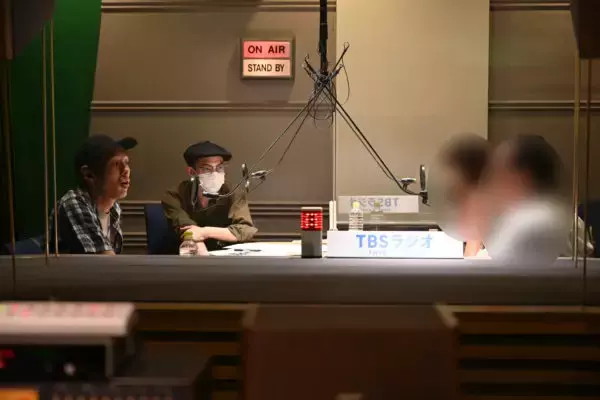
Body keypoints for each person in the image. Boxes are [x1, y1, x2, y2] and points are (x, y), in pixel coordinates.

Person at [479, 134, 572, 265]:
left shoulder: (534, 223)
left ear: (523, 178)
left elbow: (491, 268)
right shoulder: (557, 216)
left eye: (499, 174)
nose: (493, 183)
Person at [162, 141, 257, 255]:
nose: (215, 173)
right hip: (188, 254)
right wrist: (202, 252)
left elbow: (245, 230)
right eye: (207, 169)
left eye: (219, 168)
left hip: (228, 255)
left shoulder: (234, 192)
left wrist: (205, 232)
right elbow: (187, 228)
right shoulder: (174, 194)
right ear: (192, 172)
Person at [50, 134, 137, 254]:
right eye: (116, 164)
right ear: (89, 175)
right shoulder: (74, 203)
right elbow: (105, 259)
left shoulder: (114, 208)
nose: (126, 170)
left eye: (126, 163)